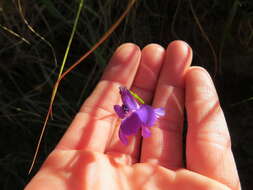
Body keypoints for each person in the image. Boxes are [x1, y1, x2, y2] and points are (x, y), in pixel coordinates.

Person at [25, 41, 241, 190]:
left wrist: (134, 112)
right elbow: (125, 113)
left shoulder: (132, 115)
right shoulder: (130, 114)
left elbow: (129, 114)